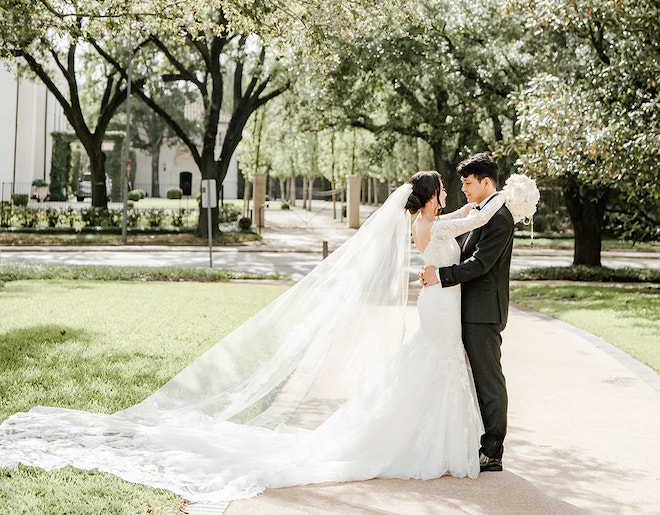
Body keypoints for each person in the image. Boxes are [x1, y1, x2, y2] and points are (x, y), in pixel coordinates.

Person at [0, 169, 530, 508]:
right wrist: (508, 195)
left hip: (442, 301)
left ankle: (450, 441)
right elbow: (474, 218)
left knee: (439, 365)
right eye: (446, 187)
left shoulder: (436, 219)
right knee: (435, 363)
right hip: (440, 302)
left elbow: (472, 218)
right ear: (432, 194)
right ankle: (440, 443)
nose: (454, 194)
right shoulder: (431, 227)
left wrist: (502, 199)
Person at [420, 153, 514, 473]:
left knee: (488, 381)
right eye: (460, 183)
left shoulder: (499, 217)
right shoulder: (481, 211)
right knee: (471, 380)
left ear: (486, 182)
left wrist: (442, 277)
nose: (464, 189)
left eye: (469, 183)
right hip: (465, 308)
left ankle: (492, 450)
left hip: (484, 311)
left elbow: (481, 263)